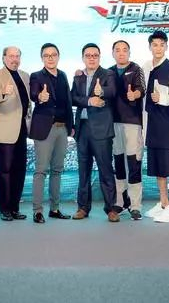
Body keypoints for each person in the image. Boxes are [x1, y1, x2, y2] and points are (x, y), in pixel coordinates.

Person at [71, 43, 120, 222]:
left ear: (99, 57)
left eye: (95, 55)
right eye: (88, 55)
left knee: (106, 170)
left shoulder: (108, 74)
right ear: (83, 58)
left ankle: (111, 209)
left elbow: (113, 91)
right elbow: (73, 98)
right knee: (83, 171)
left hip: (101, 130)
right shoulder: (78, 77)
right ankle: (83, 207)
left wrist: (102, 91)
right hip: (82, 129)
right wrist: (89, 101)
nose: (91, 58)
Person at [29, 43, 74, 223]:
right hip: (44, 129)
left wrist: (71, 125)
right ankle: (37, 211)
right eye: (46, 55)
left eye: (53, 55)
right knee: (41, 171)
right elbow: (34, 94)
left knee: (57, 170)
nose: (50, 58)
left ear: (58, 56)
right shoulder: (36, 76)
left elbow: (68, 102)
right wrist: (40, 97)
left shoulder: (63, 75)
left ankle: (54, 209)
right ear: (42, 58)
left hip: (62, 129)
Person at [142, 31, 169, 223]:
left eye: (161, 44)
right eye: (155, 44)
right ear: (150, 46)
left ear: (166, 46)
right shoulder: (146, 67)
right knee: (158, 166)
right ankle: (163, 203)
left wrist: (162, 98)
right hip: (152, 123)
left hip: (167, 124)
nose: (158, 48)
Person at [0, 46, 31, 221]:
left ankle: (14, 208)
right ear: (4, 58)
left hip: (22, 129)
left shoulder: (25, 76)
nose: (15, 59)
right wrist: (3, 92)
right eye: (11, 56)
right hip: (5, 130)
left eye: (17, 56)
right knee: (5, 171)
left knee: (19, 170)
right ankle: (4, 209)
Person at [109, 40, 145, 221]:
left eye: (124, 50)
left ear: (129, 53)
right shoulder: (108, 71)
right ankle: (121, 201)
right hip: (113, 123)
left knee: (133, 162)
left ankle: (135, 205)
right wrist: (79, 73)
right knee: (118, 163)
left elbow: (142, 89)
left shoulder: (136, 69)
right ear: (113, 53)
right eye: (117, 50)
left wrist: (134, 94)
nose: (121, 53)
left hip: (132, 122)